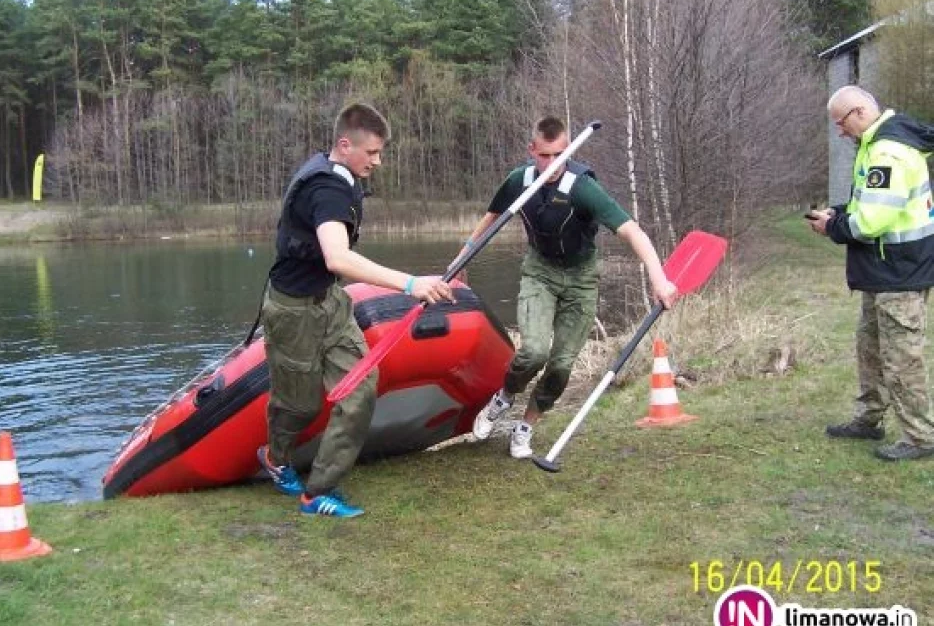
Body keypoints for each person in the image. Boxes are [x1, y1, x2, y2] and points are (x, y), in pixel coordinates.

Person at [257, 102, 454, 517]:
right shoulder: (325, 189)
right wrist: (411, 284)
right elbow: (338, 259)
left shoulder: (341, 177)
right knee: (300, 405)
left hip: (331, 303)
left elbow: (332, 270)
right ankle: (275, 458)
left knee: (361, 388)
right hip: (293, 311)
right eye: (372, 153)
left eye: (381, 153)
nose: (378, 161)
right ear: (345, 145)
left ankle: (319, 491)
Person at [455, 116, 678, 459]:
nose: (552, 164)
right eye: (545, 155)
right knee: (533, 352)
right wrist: (462, 260)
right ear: (532, 150)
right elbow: (490, 220)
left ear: (570, 149)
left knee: (560, 365)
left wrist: (658, 277)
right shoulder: (519, 181)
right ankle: (503, 397)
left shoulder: (582, 187)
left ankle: (526, 425)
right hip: (539, 272)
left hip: (580, 278)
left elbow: (633, 231)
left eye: (560, 154)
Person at [809, 85, 934, 461]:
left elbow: (873, 220)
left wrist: (833, 228)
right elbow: (870, 202)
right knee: (871, 351)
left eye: (841, 122)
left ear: (860, 112)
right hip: (882, 271)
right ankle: (868, 419)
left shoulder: (888, 151)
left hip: (900, 273)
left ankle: (921, 437)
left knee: (902, 358)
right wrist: (838, 212)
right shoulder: (875, 145)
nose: (840, 132)